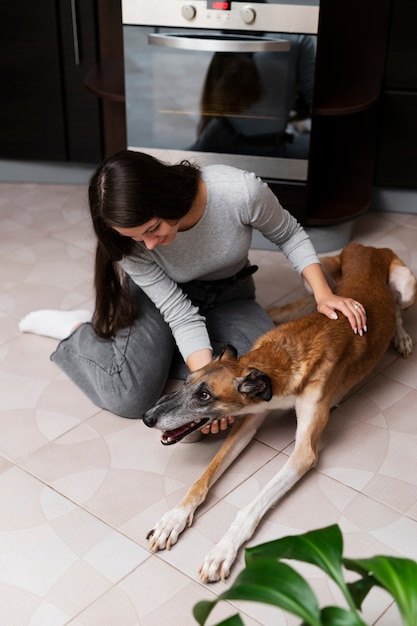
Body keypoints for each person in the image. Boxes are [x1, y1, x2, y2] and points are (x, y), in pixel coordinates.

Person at [19, 150, 367, 436]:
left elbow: (289, 234)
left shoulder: (238, 191)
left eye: (153, 229)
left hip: (230, 296)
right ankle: (78, 334)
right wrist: (205, 388)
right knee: (129, 397)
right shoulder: (129, 241)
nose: (150, 244)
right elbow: (179, 312)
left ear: (166, 194)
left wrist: (323, 294)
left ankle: (154, 355)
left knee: (260, 384)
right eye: (138, 238)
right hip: (162, 304)